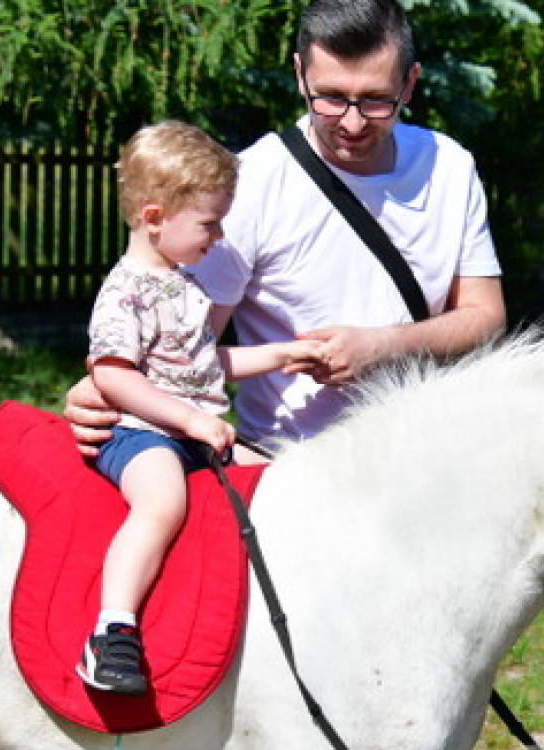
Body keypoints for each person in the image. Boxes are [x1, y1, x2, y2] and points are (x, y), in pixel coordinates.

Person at [64, 0, 506, 457]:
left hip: (429, 459)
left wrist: (386, 345)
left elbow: (485, 317)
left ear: (409, 83)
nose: (352, 122)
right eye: (331, 97)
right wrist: (105, 388)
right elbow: (179, 346)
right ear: (300, 75)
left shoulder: (449, 166)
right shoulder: (250, 185)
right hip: (292, 470)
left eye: (375, 100)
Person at [77, 120, 327, 695]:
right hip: (139, 434)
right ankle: (111, 631)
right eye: (209, 225)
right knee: (162, 501)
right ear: (155, 217)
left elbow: (206, 364)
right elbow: (112, 375)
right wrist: (189, 418)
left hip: (194, 433)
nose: (218, 238)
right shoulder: (128, 290)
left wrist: (285, 353)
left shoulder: (183, 283)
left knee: (277, 483)